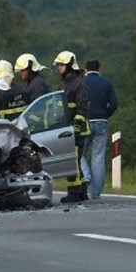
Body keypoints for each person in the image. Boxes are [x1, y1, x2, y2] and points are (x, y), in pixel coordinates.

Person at [53, 50, 91, 203]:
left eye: (61, 65)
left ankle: (74, 193)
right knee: (75, 159)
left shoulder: (79, 83)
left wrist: (75, 125)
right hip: (68, 129)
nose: (59, 68)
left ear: (69, 65)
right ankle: (82, 192)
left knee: (73, 160)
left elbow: (83, 108)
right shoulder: (65, 83)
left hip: (77, 130)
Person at [79, 60, 119, 200]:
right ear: (99, 69)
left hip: (85, 122)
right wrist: (105, 114)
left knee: (80, 153)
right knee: (98, 158)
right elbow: (114, 104)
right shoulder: (107, 83)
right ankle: (96, 194)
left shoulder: (82, 82)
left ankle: (86, 175)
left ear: (86, 69)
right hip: (102, 122)